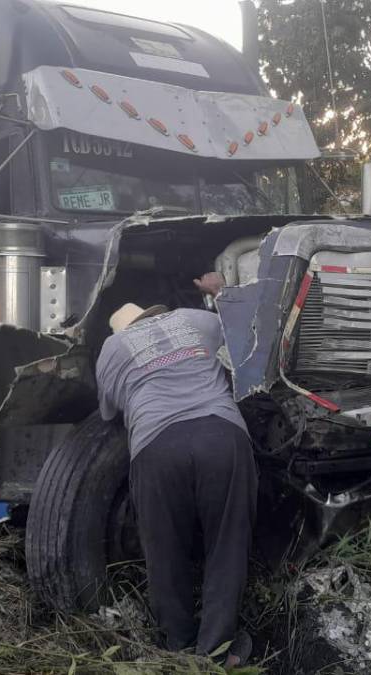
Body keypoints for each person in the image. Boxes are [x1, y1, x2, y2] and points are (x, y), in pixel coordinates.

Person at [95, 272, 256, 666]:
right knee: (227, 543)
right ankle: (216, 652)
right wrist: (221, 293)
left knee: (163, 548)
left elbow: (109, 412)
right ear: (157, 314)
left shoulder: (112, 349)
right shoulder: (196, 320)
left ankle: (178, 647)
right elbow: (248, 337)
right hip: (222, 435)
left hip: (157, 445)